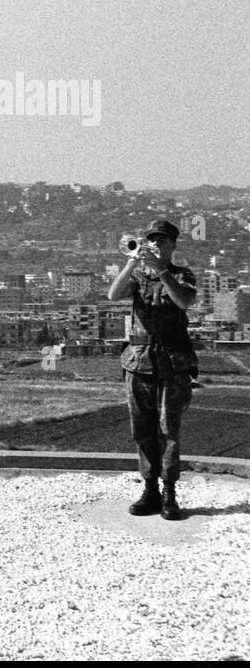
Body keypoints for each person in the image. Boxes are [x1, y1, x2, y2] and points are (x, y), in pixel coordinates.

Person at [106, 219, 198, 520]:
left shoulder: (182, 274)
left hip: (172, 362)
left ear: (172, 244)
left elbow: (184, 301)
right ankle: (149, 489)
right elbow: (114, 295)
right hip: (139, 361)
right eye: (151, 240)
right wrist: (133, 262)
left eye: (161, 240)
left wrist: (161, 270)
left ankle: (169, 491)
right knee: (142, 429)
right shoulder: (139, 276)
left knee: (168, 430)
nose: (155, 244)